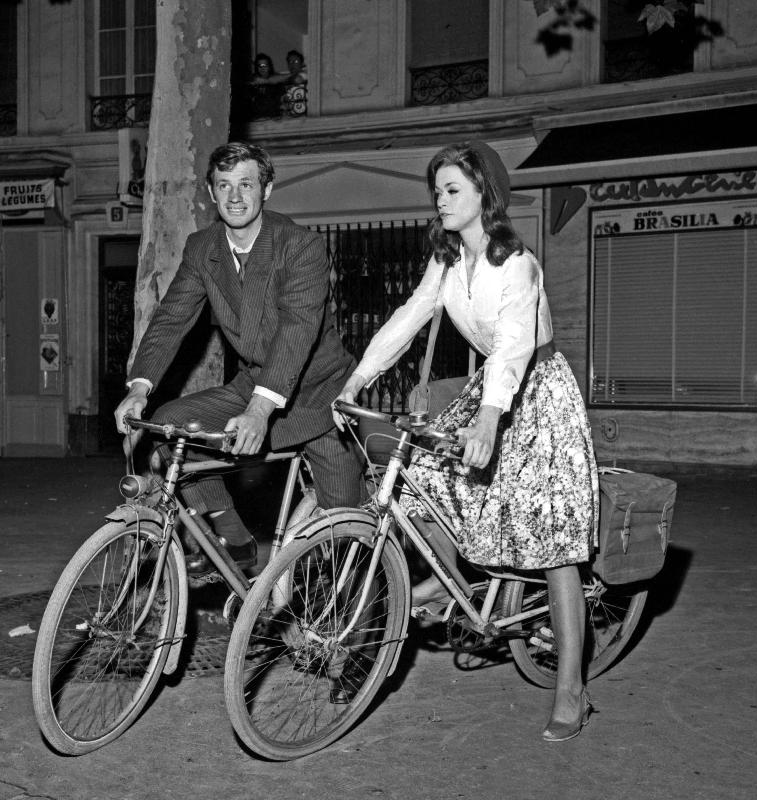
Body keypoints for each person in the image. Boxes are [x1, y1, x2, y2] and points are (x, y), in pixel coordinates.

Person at [333, 140, 599, 743]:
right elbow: (411, 313)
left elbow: (511, 346)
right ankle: (449, 581)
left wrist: (488, 418)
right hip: (490, 389)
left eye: (452, 189)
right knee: (420, 474)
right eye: (437, 191)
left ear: (485, 194)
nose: (441, 200)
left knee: (549, 535)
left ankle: (570, 689)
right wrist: (358, 376)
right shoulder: (450, 259)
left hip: (534, 390)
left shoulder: (518, 263)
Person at [116, 141, 366, 576]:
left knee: (346, 534)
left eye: (246, 184)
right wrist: (140, 388)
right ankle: (236, 542)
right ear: (211, 194)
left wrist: (260, 408)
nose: (235, 196)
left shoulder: (300, 245)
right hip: (254, 384)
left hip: (318, 394)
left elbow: (297, 330)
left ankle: (345, 620)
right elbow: (172, 318)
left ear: (266, 190)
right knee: (176, 427)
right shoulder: (203, 247)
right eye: (224, 185)